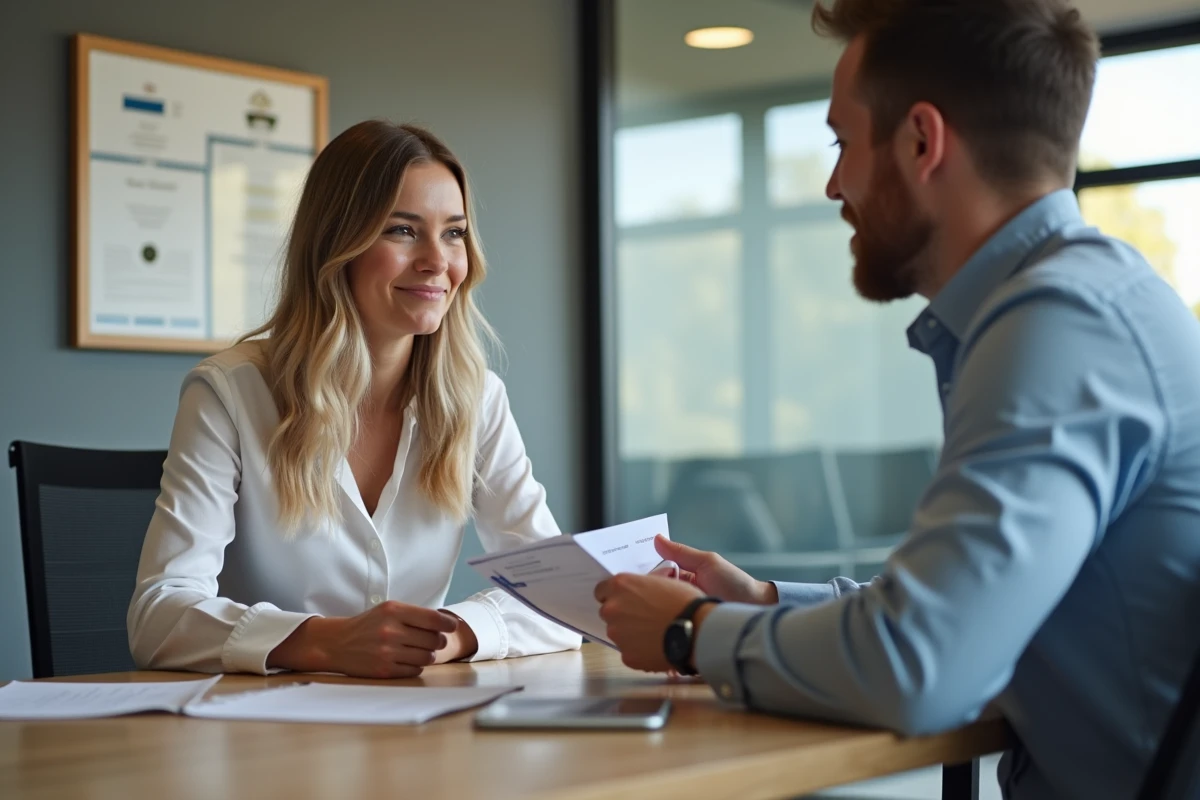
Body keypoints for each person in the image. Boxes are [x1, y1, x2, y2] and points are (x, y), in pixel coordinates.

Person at [594, 1, 1200, 797]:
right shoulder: (1084, 297)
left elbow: (924, 663)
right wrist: (763, 601)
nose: (832, 183)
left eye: (844, 143)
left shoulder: (1057, 326)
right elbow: (960, 602)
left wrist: (689, 632)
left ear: (922, 141)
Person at [128, 120, 580, 678]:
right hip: (260, 733)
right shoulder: (230, 392)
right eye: (402, 230)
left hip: (417, 727)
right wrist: (327, 642)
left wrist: (453, 635)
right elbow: (158, 616)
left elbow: (563, 596)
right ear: (337, 245)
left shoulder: (476, 398)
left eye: (455, 233)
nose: (438, 261)